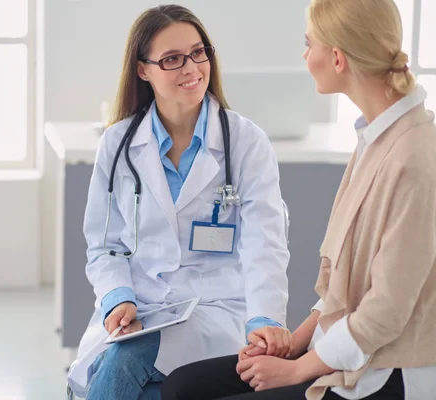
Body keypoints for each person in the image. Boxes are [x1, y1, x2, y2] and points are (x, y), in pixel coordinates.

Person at [161, 0, 436, 399]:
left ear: (336, 58)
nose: (304, 55)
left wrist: (296, 370)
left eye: (308, 43)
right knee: (183, 387)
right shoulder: (374, 140)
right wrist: (292, 343)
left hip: (388, 371)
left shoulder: (416, 158)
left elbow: (384, 314)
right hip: (340, 352)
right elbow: (342, 291)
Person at [67, 4, 292, 400]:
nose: (191, 67)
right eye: (172, 59)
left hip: (215, 308)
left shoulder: (245, 142)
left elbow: (265, 244)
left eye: (198, 52)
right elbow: (105, 246)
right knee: (143, 386)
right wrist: (118, 297)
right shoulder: (118, 144)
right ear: (143, 70)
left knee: (124, 362)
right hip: (141, 307)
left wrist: (264, 318)